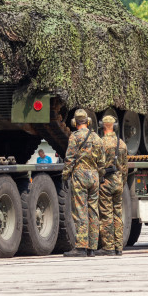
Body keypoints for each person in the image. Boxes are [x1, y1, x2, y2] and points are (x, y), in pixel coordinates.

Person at [62, 109, 105, 257]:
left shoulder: (74, 137)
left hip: (80, 176)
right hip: (94, 176)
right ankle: (92, 247)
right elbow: (102, 162)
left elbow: (69, 158)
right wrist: (99, 174)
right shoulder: (97, 138)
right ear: (88, 122)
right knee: (93, 211)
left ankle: (80, 246)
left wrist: (65, 175)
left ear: (75, 123)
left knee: (80, 210)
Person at [96, 115, 128, 256]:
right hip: (118, 182)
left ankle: (108, 247)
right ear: (114, 126)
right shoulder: (121, 144)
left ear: (102, 126)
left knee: (106, 214)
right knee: (118, 214)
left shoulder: (100, 143)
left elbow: (97, 164)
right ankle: (119, 247)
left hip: (106, 182)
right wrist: (122, 181)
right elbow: (125, 167)